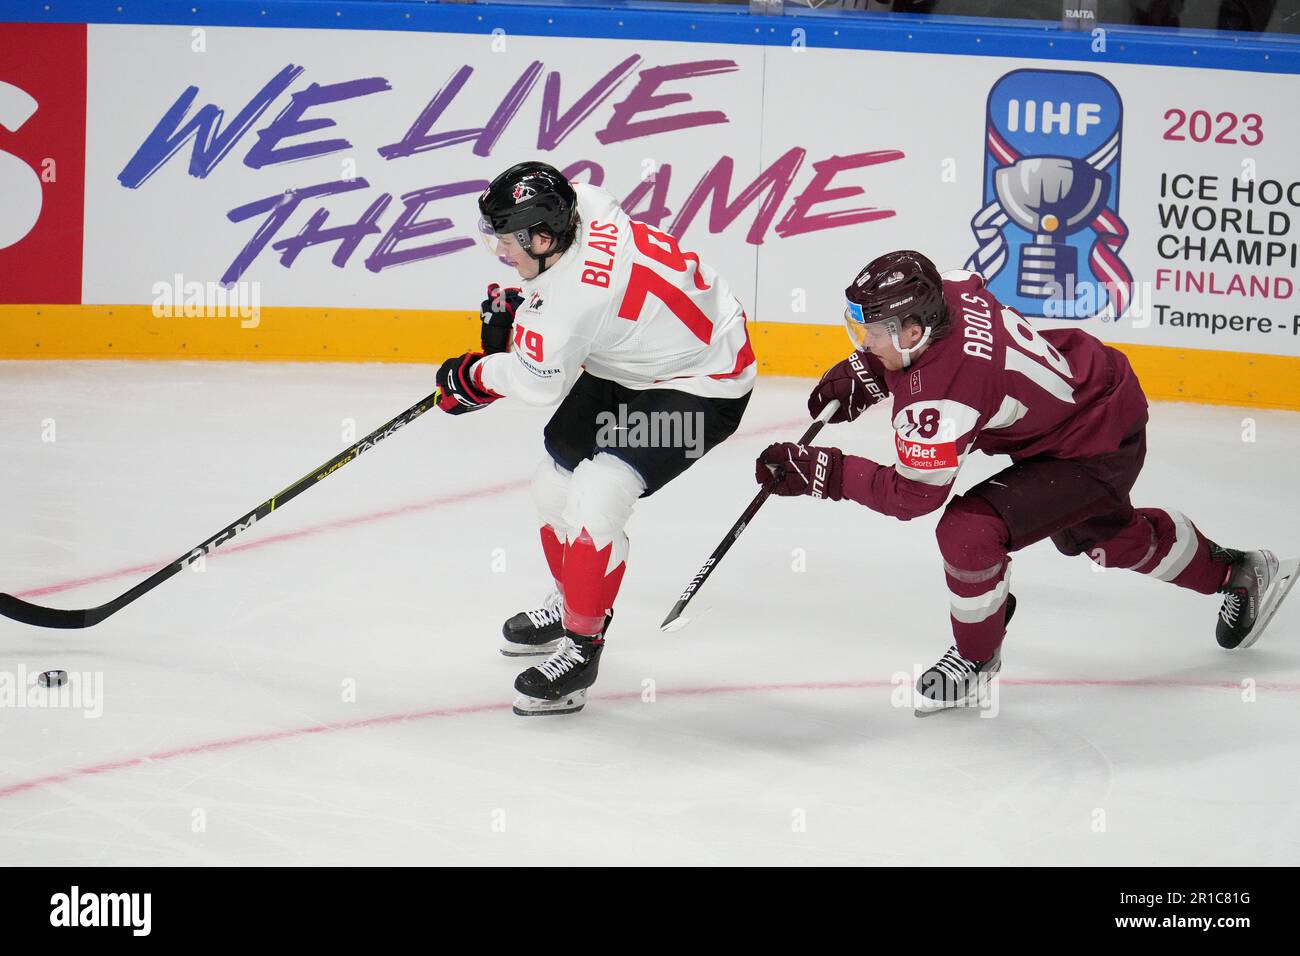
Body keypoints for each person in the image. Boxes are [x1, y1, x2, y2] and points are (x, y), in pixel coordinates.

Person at [755, 250, 1295, 715]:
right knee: (1102, 536)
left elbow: (912, 495)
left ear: (913, 331)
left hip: (1092, 445)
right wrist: (874, 371)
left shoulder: (945, 396)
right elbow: (947, 343)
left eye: (873, 335)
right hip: (1093, 396)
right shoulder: (948, 289)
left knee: (968, 532)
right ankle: (1240, 571)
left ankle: (976, 654)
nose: (864, 342)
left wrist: (819, 471)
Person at [436, 161, 755, 716]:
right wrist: (523, 309)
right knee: (551, 485)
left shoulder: (569, 304)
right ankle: (573, 601)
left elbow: (538, 383)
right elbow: (559, 300)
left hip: (707, 383)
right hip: (634, 360)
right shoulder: (584, 203)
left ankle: (582, 648)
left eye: (507, 241)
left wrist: (475, 376)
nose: (499, 252)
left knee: (598, 496)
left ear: (542, 236)